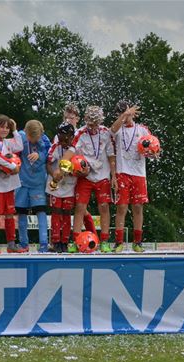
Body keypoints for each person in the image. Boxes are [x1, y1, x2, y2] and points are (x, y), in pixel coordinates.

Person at [58, 105, 116, 253]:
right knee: (80, 208)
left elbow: (111, 155)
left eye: (95, 124)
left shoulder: (105, 132)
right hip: (85, 176)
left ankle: (104, 241)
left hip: (103, 176)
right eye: (90, 124)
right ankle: (75, 240)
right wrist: (63, 166)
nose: (93, 127)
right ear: (85, 120)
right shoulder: (80, 133)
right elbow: (70, 153)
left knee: (104, 207)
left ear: (100, 122)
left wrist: (114, 175)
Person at [110, 100, 154, 253]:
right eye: (120, 113)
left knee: (137, 207)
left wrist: (152, 154)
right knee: (121, 207)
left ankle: (138, 242)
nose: (125, 115)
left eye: (126, 111)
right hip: (122, 172)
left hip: (139, 174)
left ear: (132, 112)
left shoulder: (142, 129)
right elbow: (112, 129)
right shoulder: (118, 129)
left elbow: (154, 149)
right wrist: (123, 115)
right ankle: (118, 242)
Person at [0, 115, 27, 254]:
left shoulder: (7, 142)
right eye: (1, 127)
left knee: (10, 213)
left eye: (7, 127)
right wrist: (12, 166)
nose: (4, 130)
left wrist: (15, 130)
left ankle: (11, 243)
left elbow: (19, 146)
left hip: (9, 184)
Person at [55, 103, 97, 235]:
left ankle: (94, 236)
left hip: (78, 177)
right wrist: (58, 173)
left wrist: (84, 170)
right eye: (66, 117)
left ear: (77, 119)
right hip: (63, 178)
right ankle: (59, 239)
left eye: (71, 118)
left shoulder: (81, 134)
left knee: (81, 208)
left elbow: (84, 157)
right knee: (60, 209)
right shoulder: (58, 136)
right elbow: (56, 157)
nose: (68, 120)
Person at [16, 120, 52, 252]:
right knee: (21, 212)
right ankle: (23, 244)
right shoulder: (20, 136)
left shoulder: (45, 140)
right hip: (22, 182)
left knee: (41, 211)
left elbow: (51, 154)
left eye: (36, 138)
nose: (33, 141)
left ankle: (43, 243)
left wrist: (40, 154)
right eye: (31, 138)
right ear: (26, 132)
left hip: (38, 183)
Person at [46, 122, 76, 253]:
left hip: (70, 186)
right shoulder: (54, 147)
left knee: (66, 213)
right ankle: (56, 241)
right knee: (56, 212)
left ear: (71, 136)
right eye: (61, 138)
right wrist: (54, 175)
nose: (63, 141)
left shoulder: (76, 149)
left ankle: (65, 241)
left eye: (66, 138)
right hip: (55, 186)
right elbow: (47, 164)